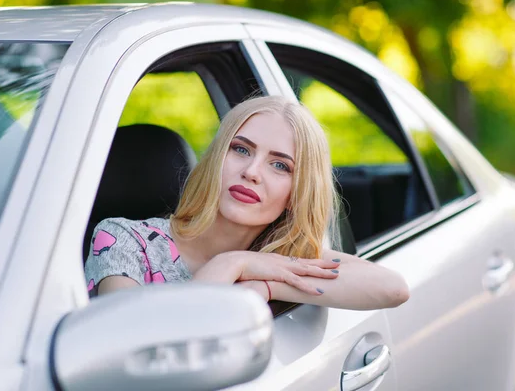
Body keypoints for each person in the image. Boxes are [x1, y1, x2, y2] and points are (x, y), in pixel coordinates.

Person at [85, 96, 409, 310]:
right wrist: (230, 265)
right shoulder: (121, 239)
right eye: (241, 149)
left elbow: (392, 288)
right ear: (217, 157)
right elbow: (136, 346)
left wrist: (267, 287)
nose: (251, 172)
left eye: (280, 165)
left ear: (297, 195)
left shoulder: (276, 261)